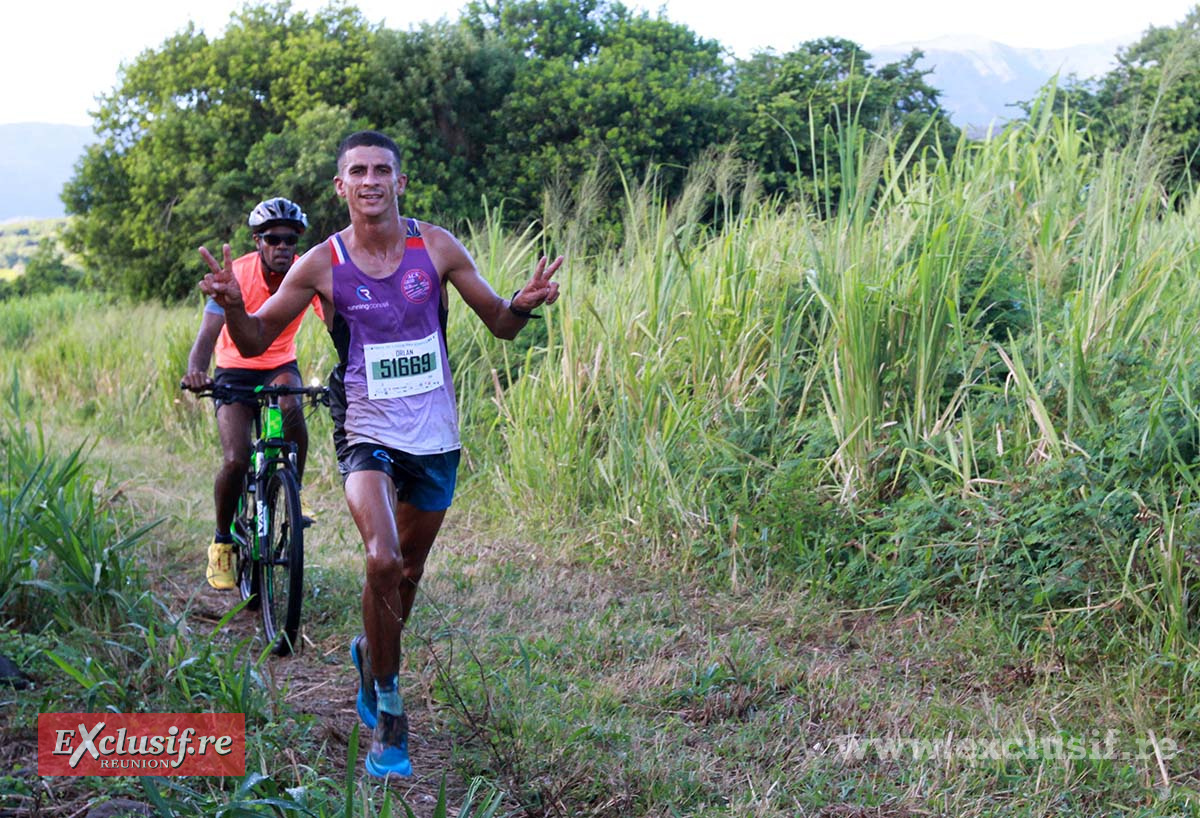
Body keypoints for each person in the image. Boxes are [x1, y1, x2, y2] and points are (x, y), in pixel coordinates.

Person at [198, 130, 561, 779]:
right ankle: (390, 712)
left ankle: (373, 655)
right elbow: (254, 341)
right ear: (341, 186)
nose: (370, 180)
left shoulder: (437, 246)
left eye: (381, 170)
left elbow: (499, 323)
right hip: (364, 427)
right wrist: (232, 306)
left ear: (399, 181)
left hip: (435, 433)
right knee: (382, 558)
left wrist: (522, 305)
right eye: (358, 171)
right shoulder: (320, 263)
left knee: (407, 574)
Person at [183, 197, 324, 590]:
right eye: (273, 239)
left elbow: (333, 318)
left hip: (279, 364)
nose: (282, 247)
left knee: (292, 406)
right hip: (234, 368)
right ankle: (222, 541)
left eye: (290, 240)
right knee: (236, 459)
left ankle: (293, 489)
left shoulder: (305, 273)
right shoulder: (237, 274)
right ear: (258, 241)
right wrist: (196, 369)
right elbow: (207, 334)